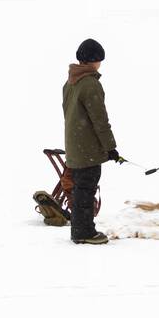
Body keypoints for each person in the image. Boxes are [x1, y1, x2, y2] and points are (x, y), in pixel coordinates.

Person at [61, 38, 123, 245]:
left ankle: (80, 229)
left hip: (75, 146)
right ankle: (84, 232)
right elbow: (100, 120)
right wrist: (111, 147)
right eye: (99, 60)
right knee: (86, 189)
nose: (100, 64)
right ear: (92, 60)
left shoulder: (69, 83)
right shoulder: (90, 84)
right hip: (87, 149)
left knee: (80, 189)